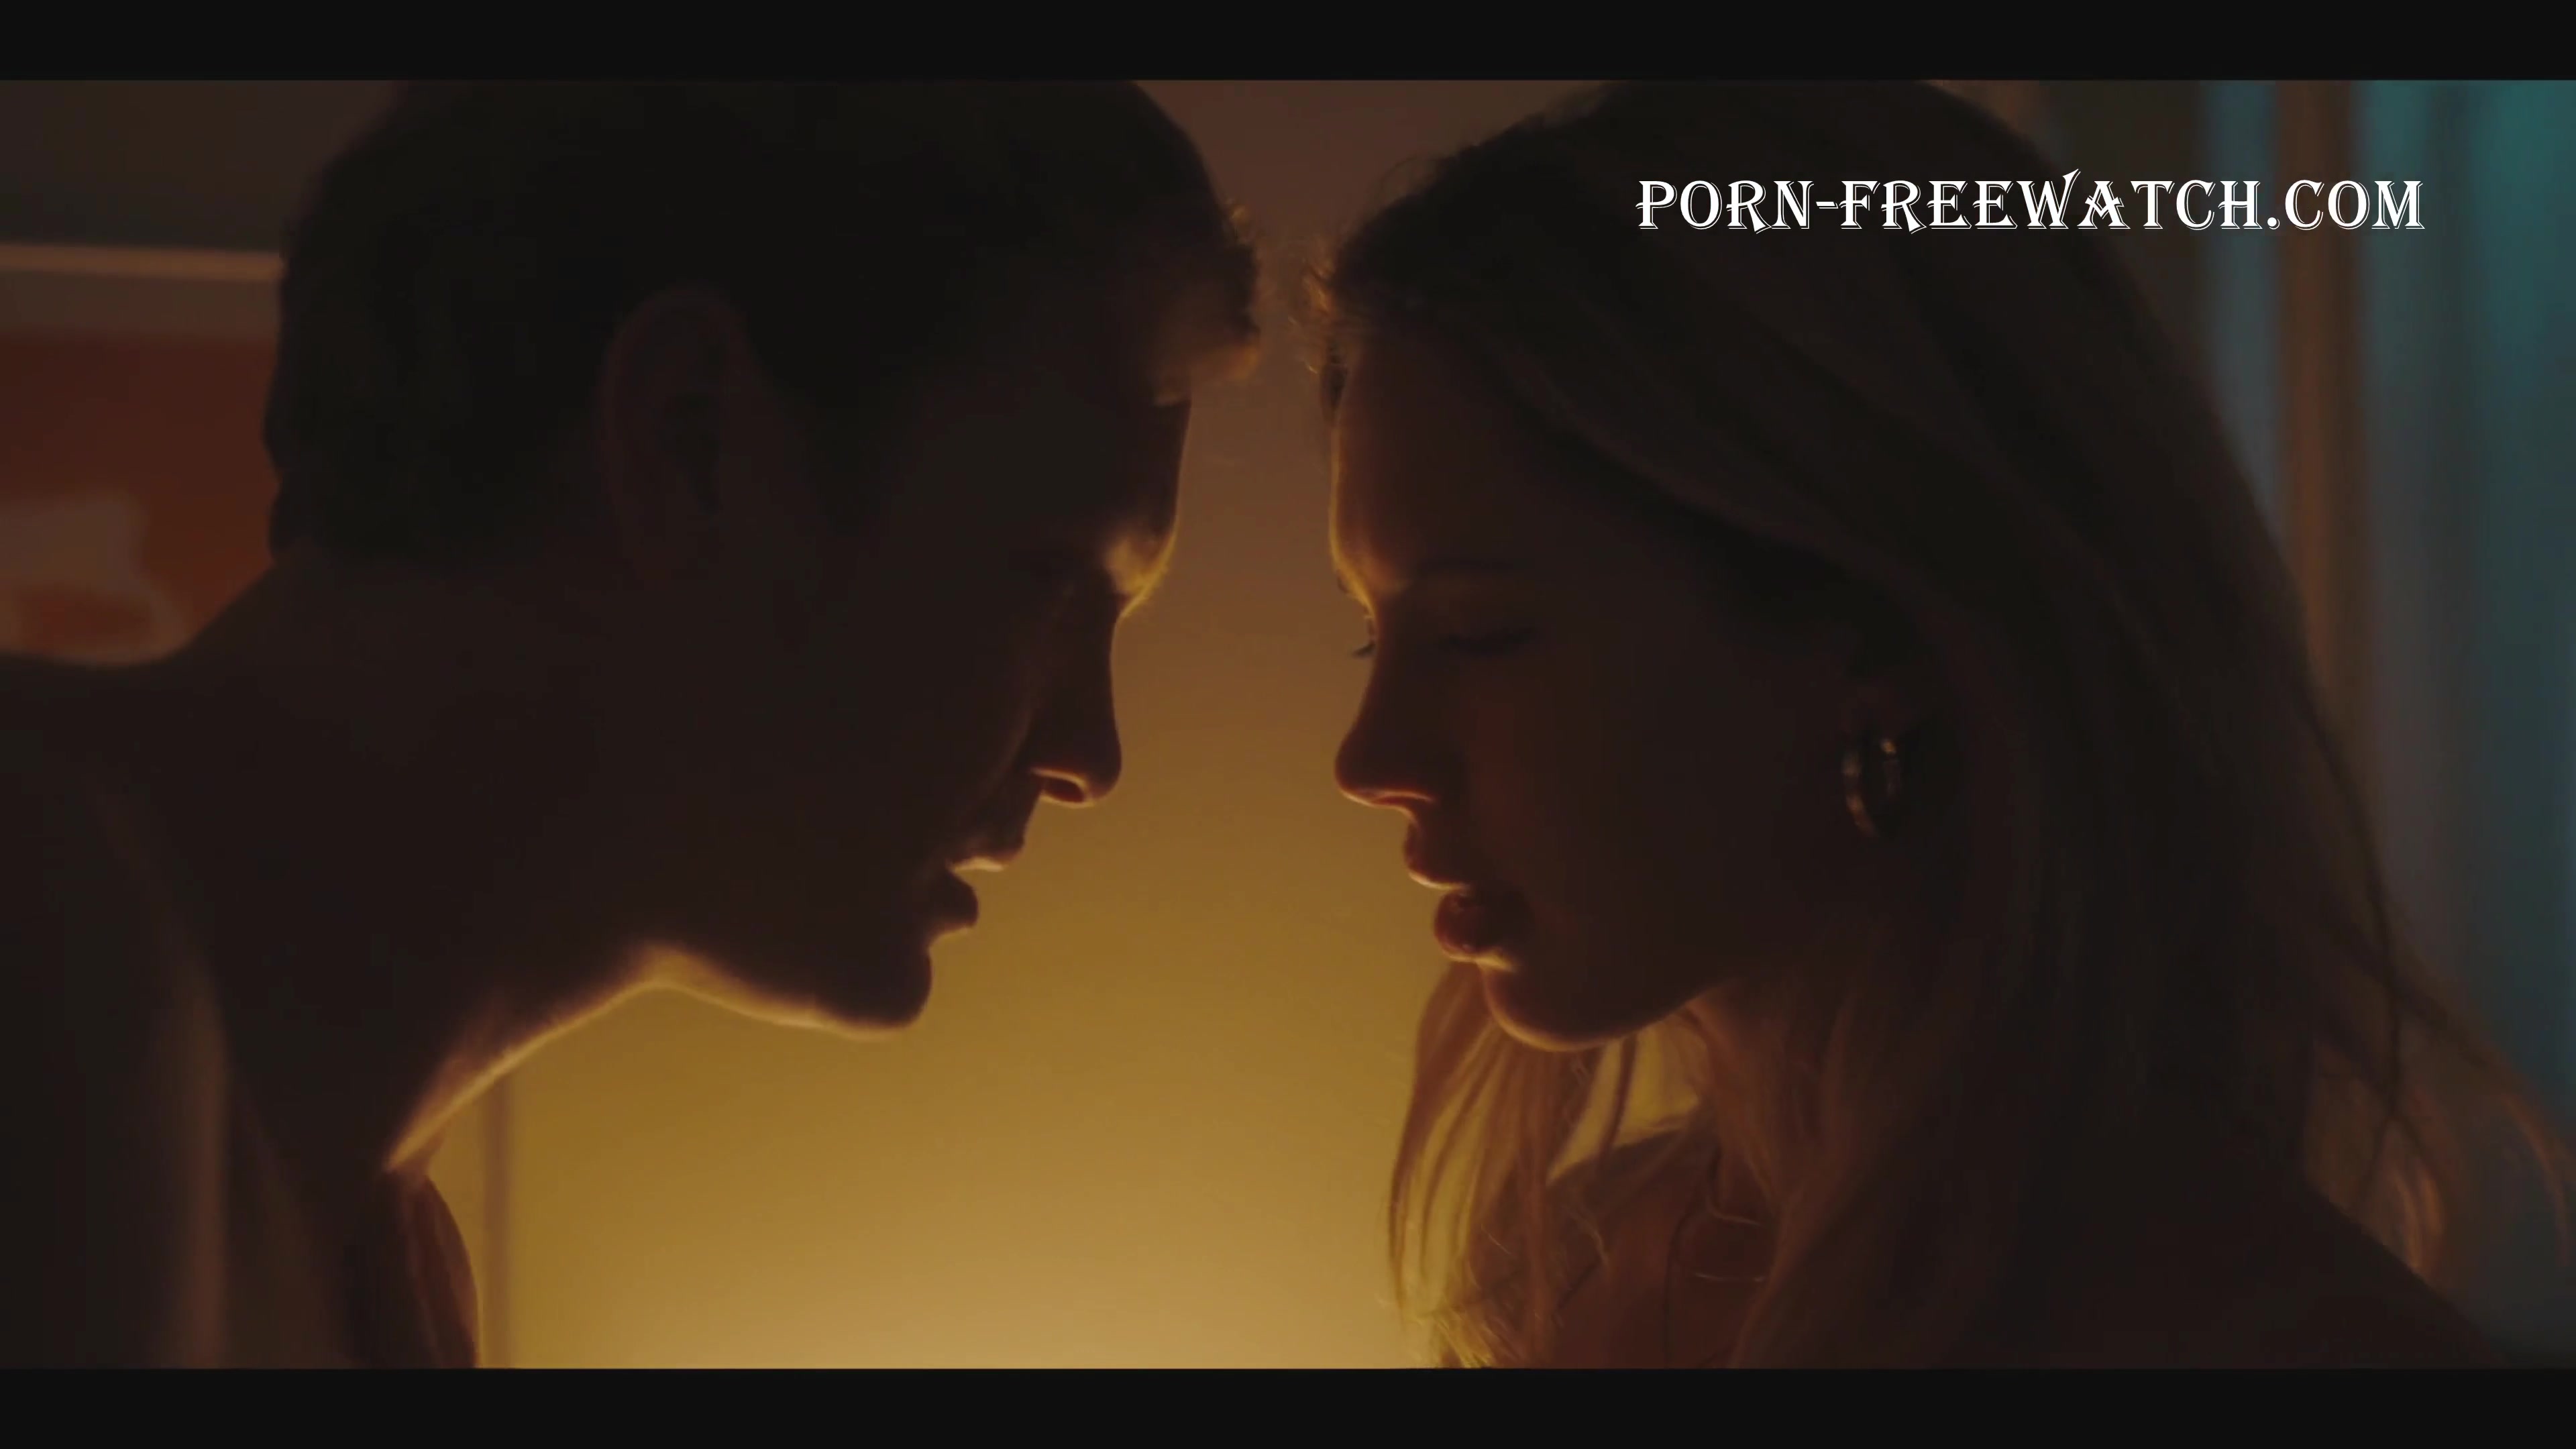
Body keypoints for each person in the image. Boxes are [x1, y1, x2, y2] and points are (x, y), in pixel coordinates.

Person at [1309, 80, 2570, 1368]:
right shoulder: (1561, 1277)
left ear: (1879, 631)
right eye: (1371, 634)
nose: (1369, 758)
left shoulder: (2280, 1346)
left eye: (1479, 635)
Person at [0, 80, 1256, 1368]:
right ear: (687, 440)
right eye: (1044, 580)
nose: (1089, 755)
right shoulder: (43, 939)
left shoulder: (379, 1265)